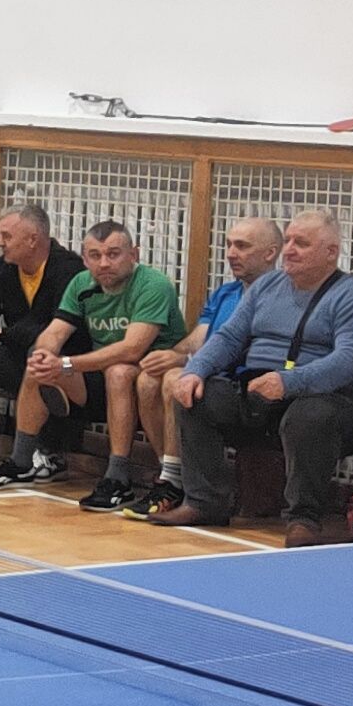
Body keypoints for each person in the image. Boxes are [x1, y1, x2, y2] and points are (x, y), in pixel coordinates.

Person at [152, 211, 353, 545]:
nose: (289, 249)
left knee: (309, 415)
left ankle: (304, 520)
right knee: (196, 397)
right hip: (263, 394)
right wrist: (194, 371)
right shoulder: (266, 286)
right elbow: (229, 337)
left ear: (331, 252)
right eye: (287, 240)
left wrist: (289, 382)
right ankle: (204, 502)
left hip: (335, 403)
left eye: (301, 243)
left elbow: (348, 362)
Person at [3, 220, 186, 510]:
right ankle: (20, 462)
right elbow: (55, 331)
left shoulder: (153, 284)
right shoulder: (81, 283)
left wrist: (66, 363)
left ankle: (118, 477)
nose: (104, 263)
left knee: (119, 372)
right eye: (95, 255)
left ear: (133, 255)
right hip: (100, 375)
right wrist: (43, 354)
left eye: (113, 254)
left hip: (149, 374)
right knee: (38, 366)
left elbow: (132, 349)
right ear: (85, 258)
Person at [126, 216, 279, 522]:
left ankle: (173, 483)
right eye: (229, 245)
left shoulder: (278, 296)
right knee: (148, 379)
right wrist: (172, 354)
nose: (231, 253)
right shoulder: (225, 293)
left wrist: (184, 363)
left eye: (242, 246)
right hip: (208, 374)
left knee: (175, 379)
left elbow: (246, 350)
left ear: (270, 253)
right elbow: (199, 338)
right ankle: (170, 475)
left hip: (237, 386)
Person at [0, 203, 86, 474]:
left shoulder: (68, 269)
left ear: (32, 239)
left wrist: (1, 335)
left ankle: (49, 450)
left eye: (7, 236)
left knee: (41, 353)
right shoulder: (5, 268)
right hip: (14, 354)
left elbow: (53, 327)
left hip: (64, 364)